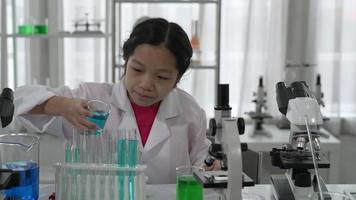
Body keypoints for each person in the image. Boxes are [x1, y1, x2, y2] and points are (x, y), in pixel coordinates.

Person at [14, 18, 217, 184]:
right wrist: (63, 106)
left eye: (162, 77)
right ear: (125, 62)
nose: (146, 84)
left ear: (177, 79)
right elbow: (17, 101)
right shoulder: (92, 98)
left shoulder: (189, 111)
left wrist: (210, 168)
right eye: (137, 69)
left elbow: (202, 162)